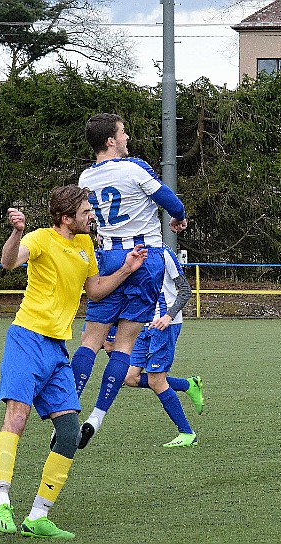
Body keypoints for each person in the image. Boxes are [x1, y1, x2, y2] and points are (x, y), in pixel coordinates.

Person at [0, 185, 147, 538]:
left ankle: (37, 516)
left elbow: (93, 291)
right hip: (26, 339)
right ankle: (1, 501)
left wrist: (126, 270)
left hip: (58, 348)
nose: (91, 215)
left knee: (69, 432)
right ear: (66, 217)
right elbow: (9, 261)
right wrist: (16, 232)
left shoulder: (86, 245)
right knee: (18, 415)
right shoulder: (41, 238)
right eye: (86, 211)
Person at [70, 113, 188, 448]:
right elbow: (172, 202)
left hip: (107, 257)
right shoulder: (134, 168)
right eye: (122, 132)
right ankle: (96, 417)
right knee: (123, 345)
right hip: (143, 255)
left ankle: (68, 412)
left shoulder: (85, 177)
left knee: (90, 341)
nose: (127, 137)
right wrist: (178, 218)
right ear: (111, 140)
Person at [123, 243, 203, 447]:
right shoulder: (126, 250)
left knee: (156, 381)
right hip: (143, 324)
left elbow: (185, 290)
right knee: (130, 377)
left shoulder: (163, 251)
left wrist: (168, 316)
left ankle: (187, 433)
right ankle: (188, 385)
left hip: (164, 325)